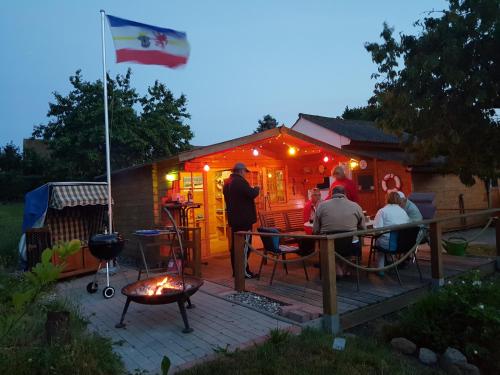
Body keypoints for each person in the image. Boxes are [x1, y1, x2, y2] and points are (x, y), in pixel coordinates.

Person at [313, 185, 366, 277]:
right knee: (353, 242)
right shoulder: (355, 206)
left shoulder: (322, 206)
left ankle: (337, 268)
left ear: (331, 194)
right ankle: (344, 268)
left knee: (329, 245)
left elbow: (315, 229)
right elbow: (363, 229)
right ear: (345, 194)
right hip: (351, 246)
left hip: (329, 244)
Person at [223, 162, 260, 279]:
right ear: (240, 171)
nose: (246, 174)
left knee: (235, 248)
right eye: (245, 172)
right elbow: (251, 193)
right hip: (244, 221)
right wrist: (257, 188)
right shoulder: (239, 181)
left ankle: (237, 271)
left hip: (235, 220)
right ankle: (244, 272)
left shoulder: (227, 183)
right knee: (245, 247)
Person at [373, 191, 410, 275]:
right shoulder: (403, 212)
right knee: (387, 238)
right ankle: (390, 261)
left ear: (387, 199)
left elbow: (377, 230)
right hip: (403, 244)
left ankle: (380, 269)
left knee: (379, 241)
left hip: (390, 244)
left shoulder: (382, 211)